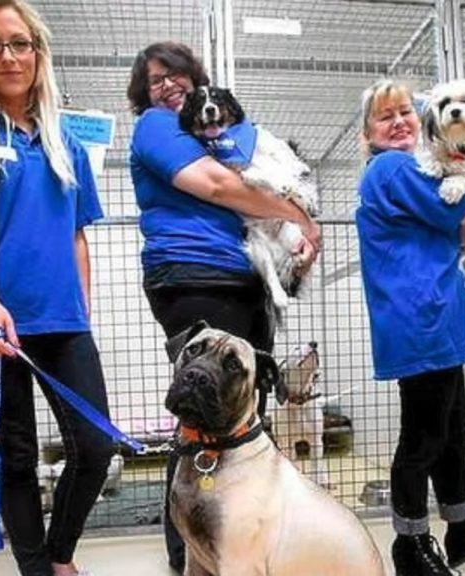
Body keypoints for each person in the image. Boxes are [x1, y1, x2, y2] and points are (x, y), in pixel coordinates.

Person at [0, 1, 112, 575]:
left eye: (20, 43)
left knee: (96, 446)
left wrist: (81, 311)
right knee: (18, 454)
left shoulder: (65, 142)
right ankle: (38, 570)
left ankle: (58, 556)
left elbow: (76, 234)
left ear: (38, 52)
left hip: (61, 322)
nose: (9, 56)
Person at [126, 41, 321, 574]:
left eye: (176, 76)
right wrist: (300, 217)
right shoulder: (157, 126)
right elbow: (217, 186)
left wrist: (295, 242)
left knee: (243, 411)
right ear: (144, 93)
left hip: (242, 277)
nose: (167, 85)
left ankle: (247, 532)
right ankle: (190, 549)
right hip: (195, 274)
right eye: (155, 80)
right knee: (202, 410)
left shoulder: (219, 136)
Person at [356, 78, 465, 576]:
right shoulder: (392, 167)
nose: (399, 122)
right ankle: (410, 543)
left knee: (453, 429)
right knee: (424, 437)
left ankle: (461, 528)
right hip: (420, 317)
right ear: (368, 133)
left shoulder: (414, 165)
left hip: (439, 313)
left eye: (405, 113)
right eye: (385, 116)